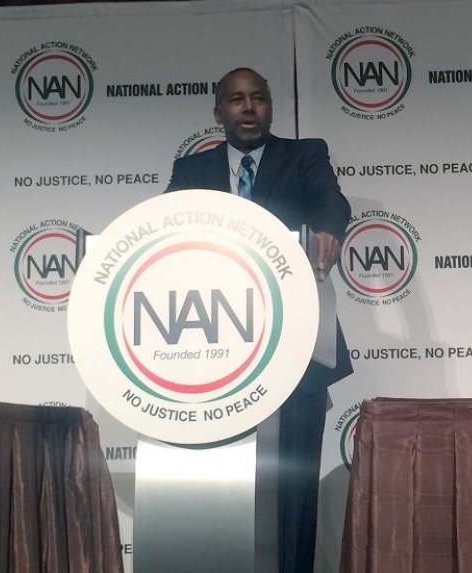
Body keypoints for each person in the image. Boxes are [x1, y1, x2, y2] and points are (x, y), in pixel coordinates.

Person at [166, 67, 353, 572]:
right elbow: (164, 233)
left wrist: (329, 231)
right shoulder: (191, 170)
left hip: (296, 351)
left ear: (270, 107)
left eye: (258, 99)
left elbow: (330, 201)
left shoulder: (305, 154)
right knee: (221, 490)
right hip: (211, 353)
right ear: (218, 112)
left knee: (293, 490)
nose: (248, 108)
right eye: (236, 100)